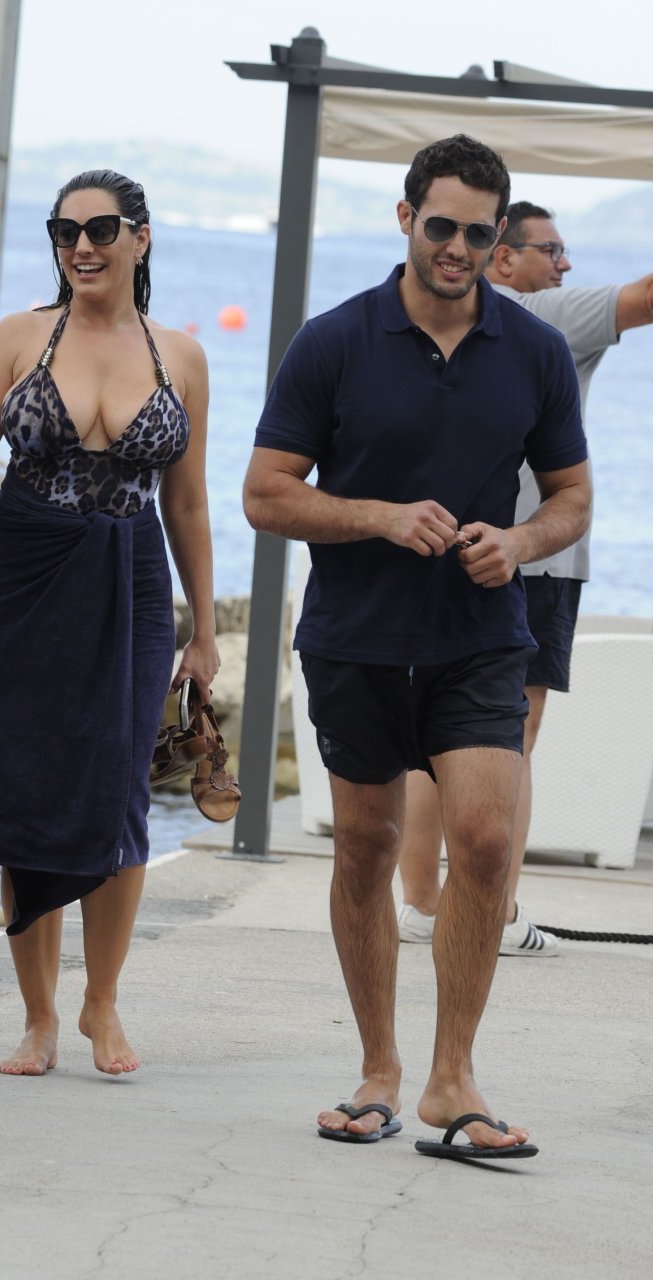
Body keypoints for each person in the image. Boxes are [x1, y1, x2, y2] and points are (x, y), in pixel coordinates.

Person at [244, 136, 590, 1158]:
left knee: (483, 840)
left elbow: (571, 498)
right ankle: (377, 1070)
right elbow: (266, 494)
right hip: (354, 639)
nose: (457, 249)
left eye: (478, 235)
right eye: (440, 227)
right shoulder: (333, 342)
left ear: (497, 238)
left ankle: (452, 1078)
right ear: (405, 218)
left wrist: (518, 542)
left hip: (479, 638)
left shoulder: (531, 350)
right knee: (366, 845)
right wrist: (378, 517)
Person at [0, 170, 218, 1077]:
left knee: (117, 787)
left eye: (101, 229)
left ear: (140, 237)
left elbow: (187, 504)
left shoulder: (182, 357)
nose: (82, 247)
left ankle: (102, 1002)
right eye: (65, 232)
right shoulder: (19, 337)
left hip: (131, 576)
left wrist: (205, 628)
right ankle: (37, 1018)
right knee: (25, 787)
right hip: (20, 574)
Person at [398, 201, 653, 956]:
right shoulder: (543, 315)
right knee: (512, 738)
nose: (565, 265)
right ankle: (497, 915)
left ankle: (421, 905)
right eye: (551, 249)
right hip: (532, 556)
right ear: (502, 259)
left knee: (430, 737)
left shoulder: (461, 324)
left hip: (456, 545)